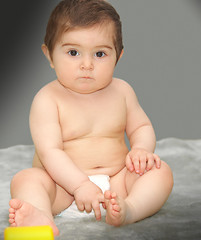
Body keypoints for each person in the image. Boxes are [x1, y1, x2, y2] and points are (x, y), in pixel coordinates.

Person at [8, 0, 173, 236]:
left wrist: (141, 149)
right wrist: (80, 185)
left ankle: (130, 210)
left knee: (160, 171)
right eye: (73, 52)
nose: (87, 65)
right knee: (26, 179)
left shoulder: (122, 91)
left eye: (100, 54)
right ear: (50, 55)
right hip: (63, 189)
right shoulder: (47, 99)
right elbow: (50, 152)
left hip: (117, 184)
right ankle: (41, 218)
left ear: (118, 56)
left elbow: (141, 126)